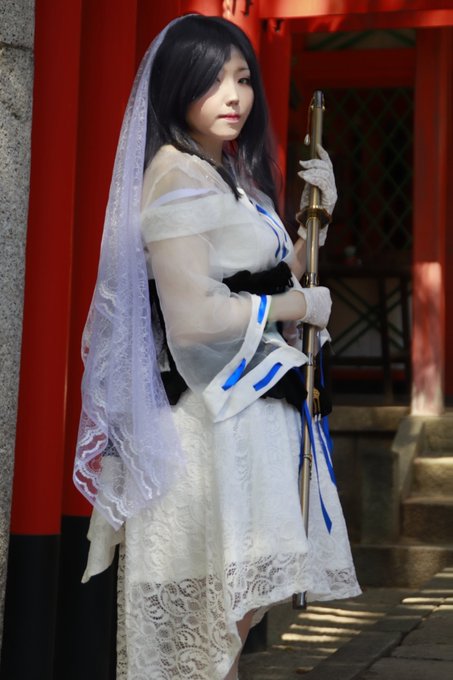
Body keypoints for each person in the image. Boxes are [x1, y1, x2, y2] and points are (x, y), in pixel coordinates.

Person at [74, 14, 360, 680]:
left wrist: (315, 221)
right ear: (178, 86)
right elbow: (194, 317)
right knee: (206, 631)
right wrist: (299, 307)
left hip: (245, 422)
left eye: (242, 78)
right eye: (213, 80)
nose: (234, 96)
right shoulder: (176, 176)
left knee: (232, 624)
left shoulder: (223, 172)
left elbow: (265, 277)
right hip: (206, 426)